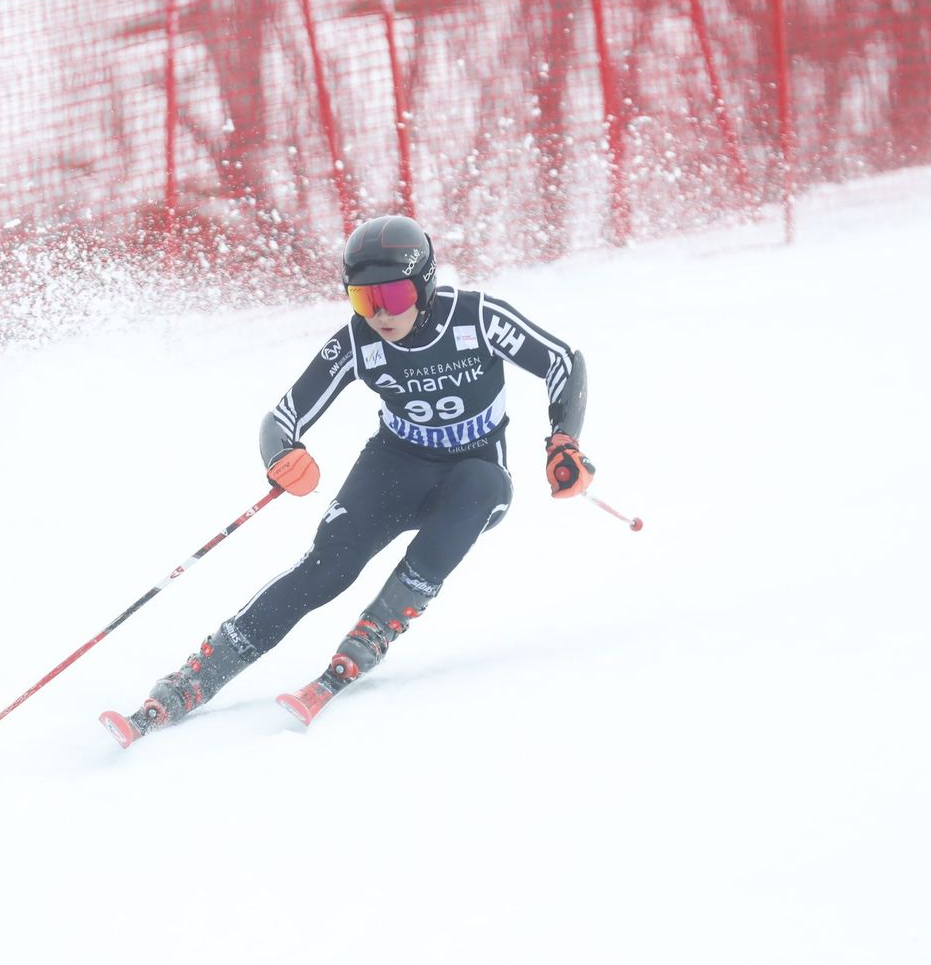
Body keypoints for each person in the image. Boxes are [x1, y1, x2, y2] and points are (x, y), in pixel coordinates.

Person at [99, 214, 593, 746]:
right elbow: (281, 418)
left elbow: (564, 362)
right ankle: (197, 675)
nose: (380, 313)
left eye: (395, 297)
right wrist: (282, 454)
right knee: (327, 567)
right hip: (395, 469)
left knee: (482, 485)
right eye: (363, 299)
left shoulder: (475, 318)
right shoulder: (360, 342)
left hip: (471, 480)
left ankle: (376, 629)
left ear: (425, 286)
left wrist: (563, 440)